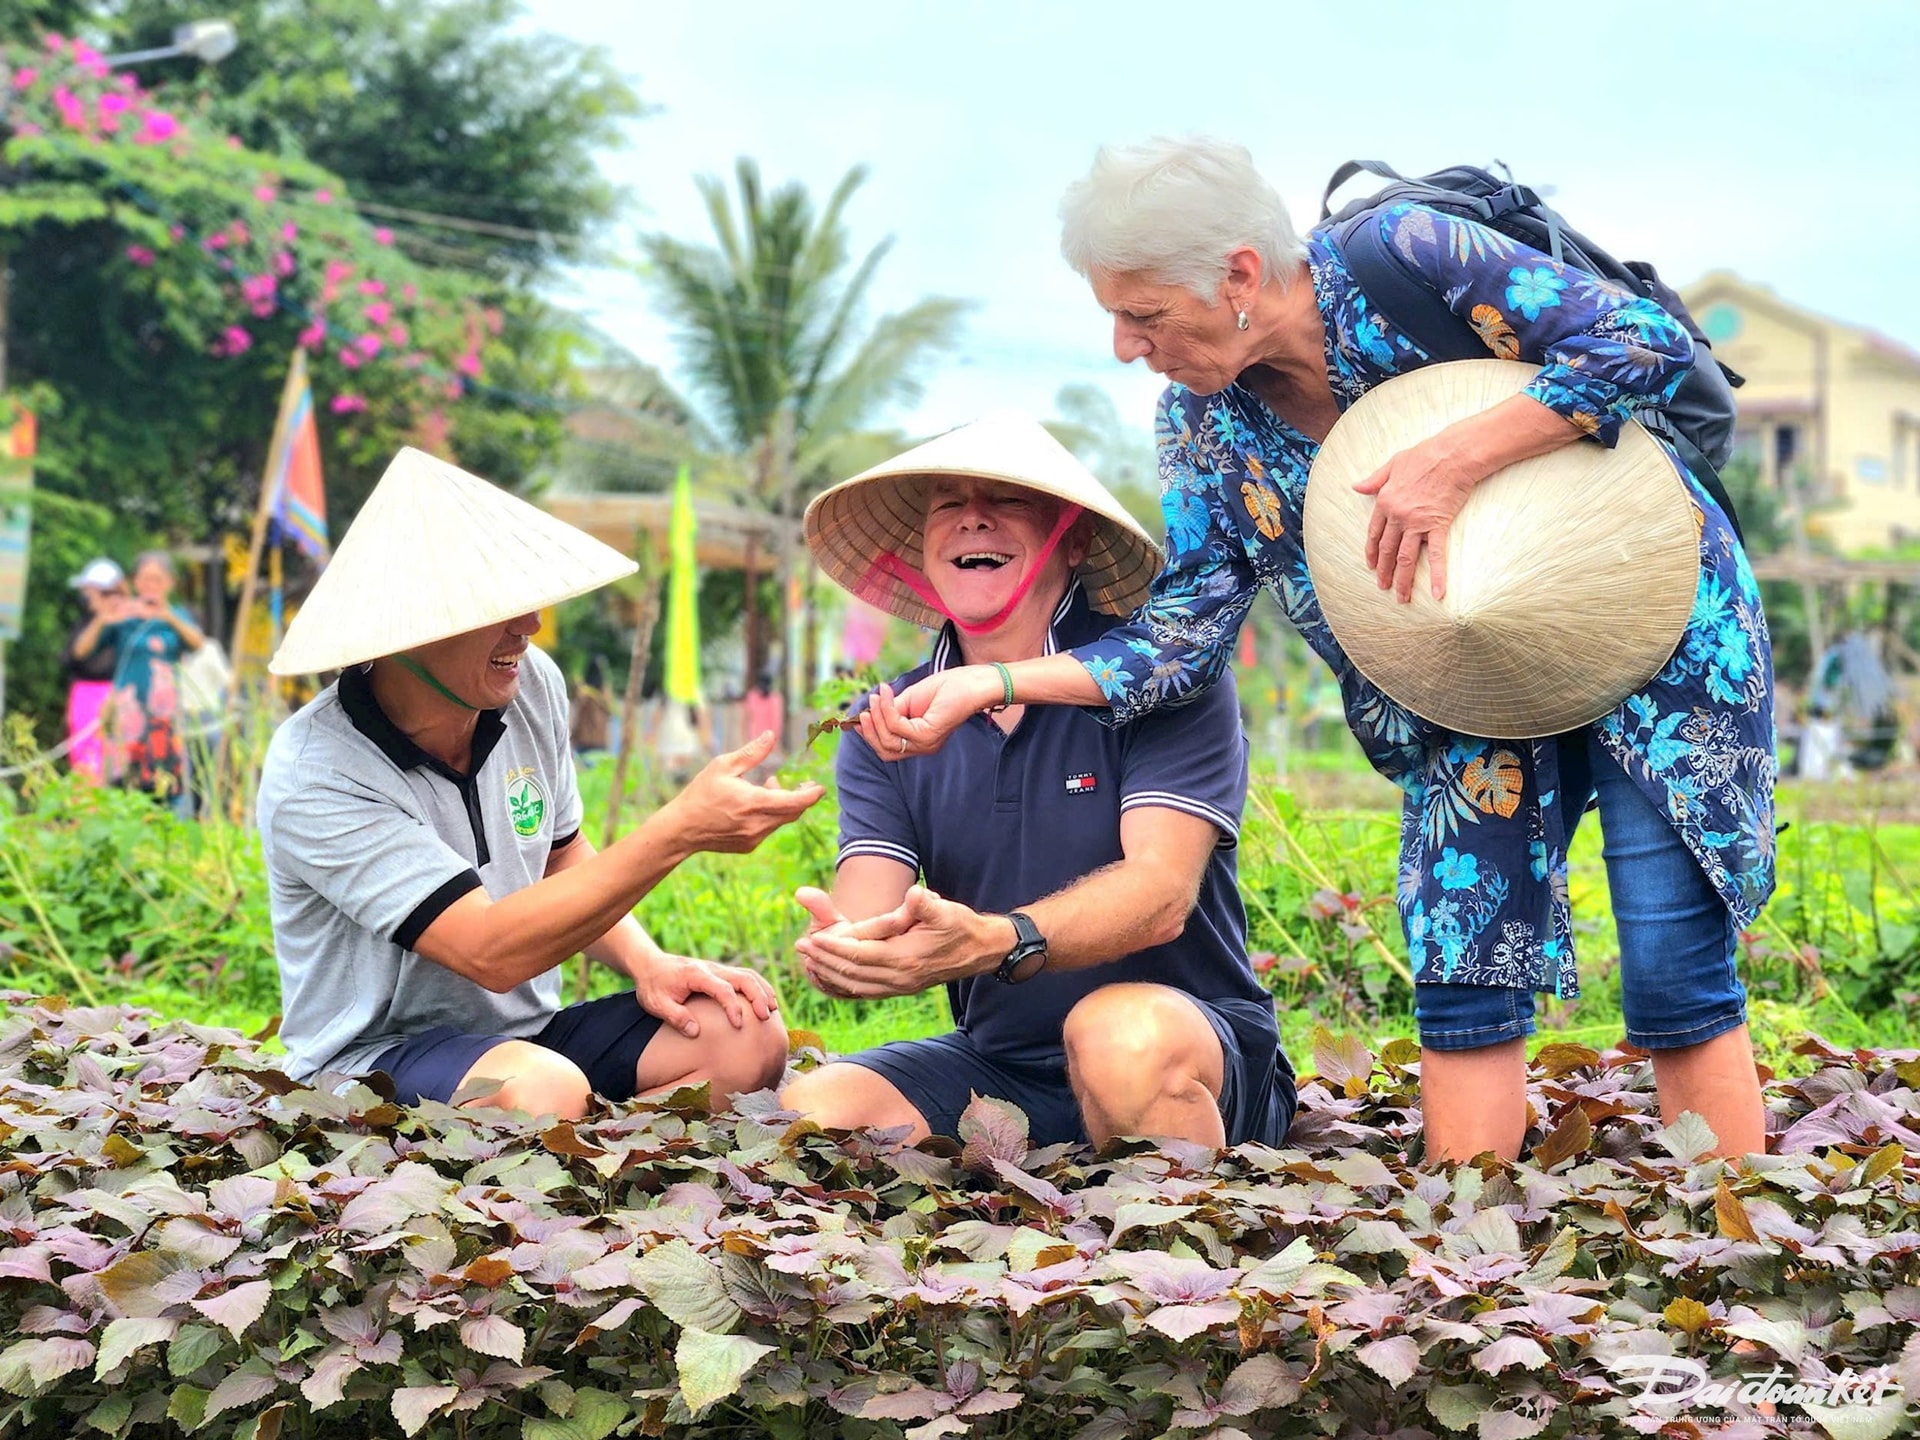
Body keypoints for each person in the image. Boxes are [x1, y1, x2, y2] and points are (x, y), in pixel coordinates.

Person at [866, 139, 1776, 1164]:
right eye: (1115, 318)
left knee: (1670, 945)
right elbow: (1179, 639)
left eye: (1146, 315)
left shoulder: (1404, 255)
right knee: (1461, 942)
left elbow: (1640, 342)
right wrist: (987, 682)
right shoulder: (1205, 425)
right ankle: (1469, 1235)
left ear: (1241, 275)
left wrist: (1450, 458)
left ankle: (1733, 1242)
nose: (1126, 345)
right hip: (1462, 671)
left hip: (1645, 609)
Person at [257, 447, 824, 1119]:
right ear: (407, 630)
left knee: (746, 1035)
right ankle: (574, 1135)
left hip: (527, 1038)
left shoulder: (529, 688)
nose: (527, 627)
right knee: (542, 1090)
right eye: (495, 609)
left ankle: (587, 1150)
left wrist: (649, 962)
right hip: (371, 1058)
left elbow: (560, 855)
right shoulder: (317, 772)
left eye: (525, 602)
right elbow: (487, 950)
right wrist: (678, 831)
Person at [782, 414, 1296, 1151]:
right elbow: (869, 909)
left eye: (1008, 500)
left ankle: (1176, 1241)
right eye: (948, 503)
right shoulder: (886, 722)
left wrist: (1000, 940)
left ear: (1075, 540)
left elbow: (1161, 898)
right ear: (922, 551)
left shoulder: (1166, 682)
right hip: (1005, 1064)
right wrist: (849, 950)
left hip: (1184, 1043)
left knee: (1116, 1035)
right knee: (814, 1111)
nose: (973, 519)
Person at [81, 549, 205, 807]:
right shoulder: (124, 617)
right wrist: (104, 618)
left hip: (164, 716)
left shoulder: (176, 616)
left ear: (170, 583)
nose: (151, 586)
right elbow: (81, 651)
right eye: (145, 580)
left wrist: (166, 615)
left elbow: (197, 643)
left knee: (164, 782)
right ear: (135, 582)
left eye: (158, 580)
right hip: (128, 713)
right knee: (123, 782)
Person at [60, 557, 127, 785]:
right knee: (84, 761)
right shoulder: (86, 622)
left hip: (113, 696)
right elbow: (74, 657)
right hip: (84, 696)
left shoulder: (124, 624)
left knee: (113, 761)